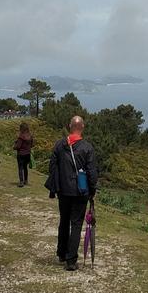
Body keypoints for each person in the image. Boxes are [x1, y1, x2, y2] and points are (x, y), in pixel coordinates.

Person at [45, 116, 98, 271]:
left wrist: (55, 187)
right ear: (82, 127)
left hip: (63, 190)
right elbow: (92, 172)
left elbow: (52, 167)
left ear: (69, 126)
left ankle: (61, 252)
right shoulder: (87, 148)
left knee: (64, 221)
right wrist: (92, 190)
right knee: (76, 224)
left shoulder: (59, 145)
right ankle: (71, 260)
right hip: (80, 191)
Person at [14, 122, 34, 187]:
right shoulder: (30, 136)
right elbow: (32, 145)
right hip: (28, 154)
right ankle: (26, 180)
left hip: (21, 154)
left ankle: (21, 182)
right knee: (25, 167)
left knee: (20, 168)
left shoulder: (21, 136)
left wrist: (14, 146)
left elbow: (18, 146)